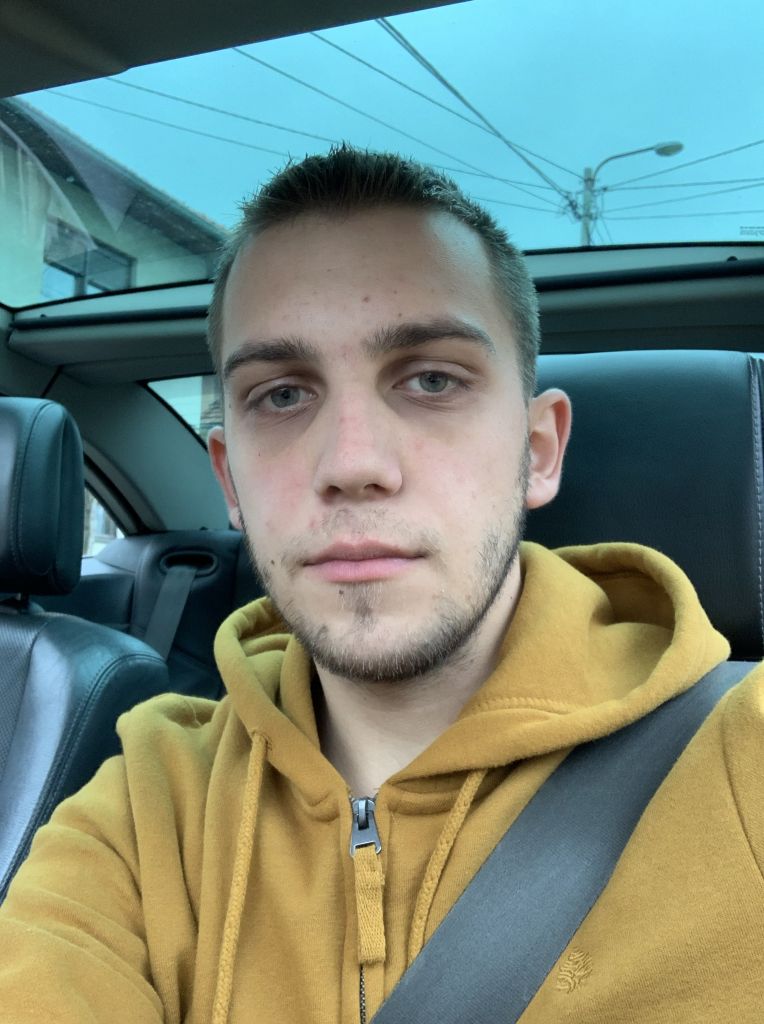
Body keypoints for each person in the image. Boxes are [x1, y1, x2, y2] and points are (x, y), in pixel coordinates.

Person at [0, 145, 762, 1023]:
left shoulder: (741, 752)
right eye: (282, 395)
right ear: (230, 480)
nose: (352, 464)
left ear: (538, 451)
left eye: (432, 379)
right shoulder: (148, 796)